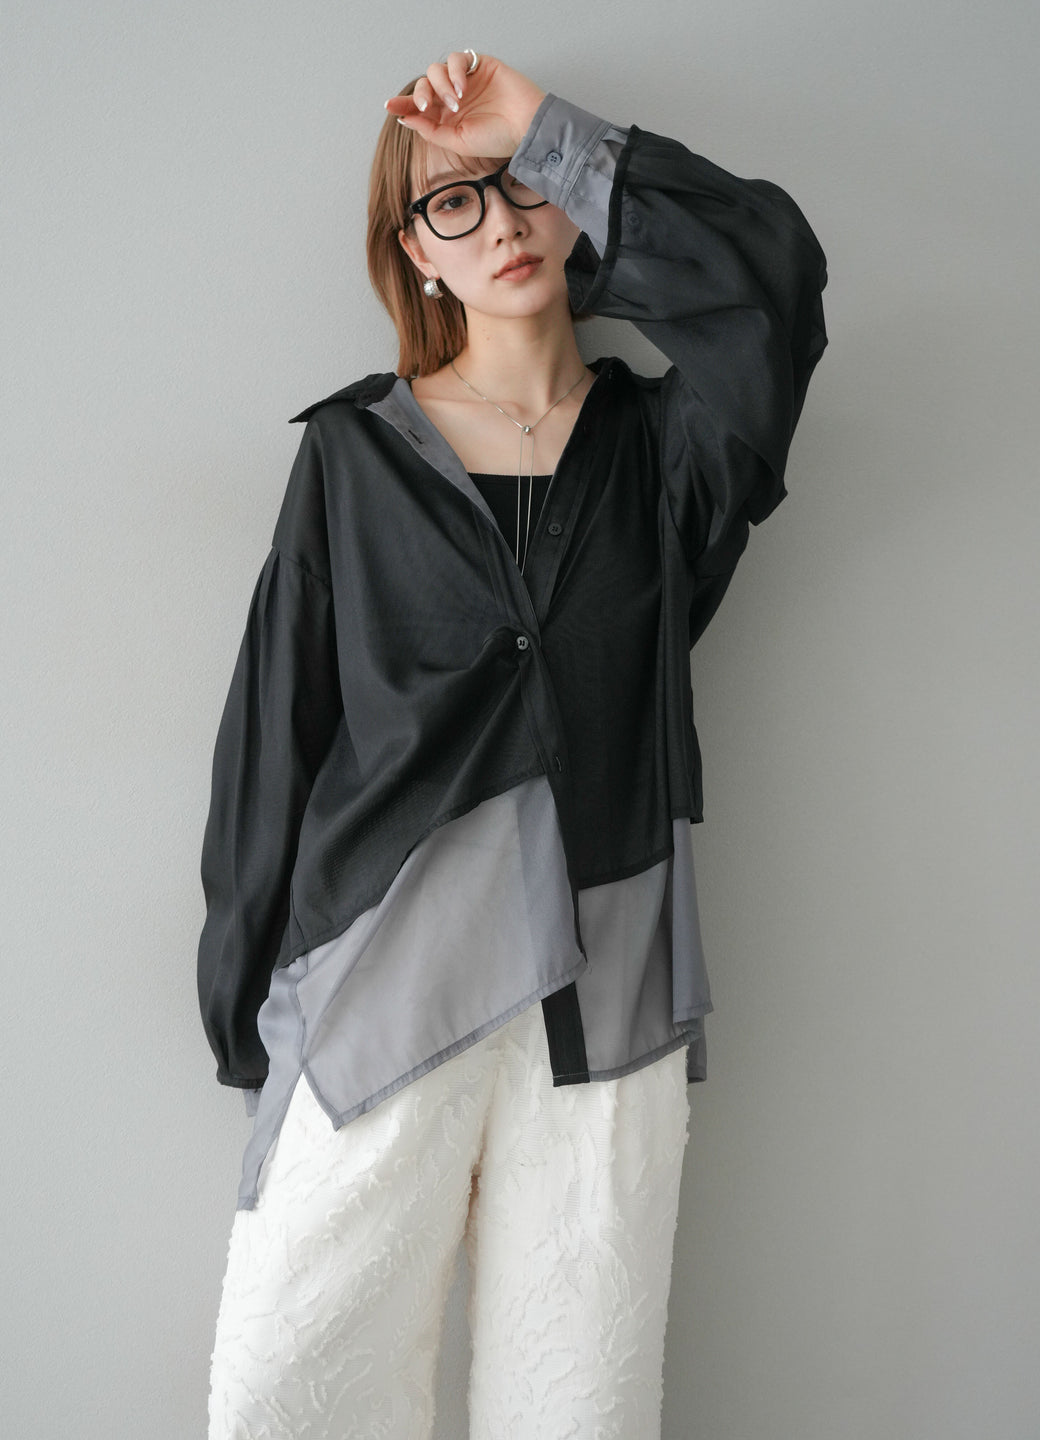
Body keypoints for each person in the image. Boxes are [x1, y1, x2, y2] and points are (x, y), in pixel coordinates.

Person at [199, 48, 829, 1440]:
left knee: (578, 1407)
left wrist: (547, 129)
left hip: (605, 1001)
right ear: (414, 254)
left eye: (527, 187)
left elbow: (773, 288)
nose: (503, 224)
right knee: (286, 1391)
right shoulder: (353, 457)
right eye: (455, 204)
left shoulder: (671, 454)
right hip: (378, 987)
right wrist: (246, 1001)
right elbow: (275, 730)